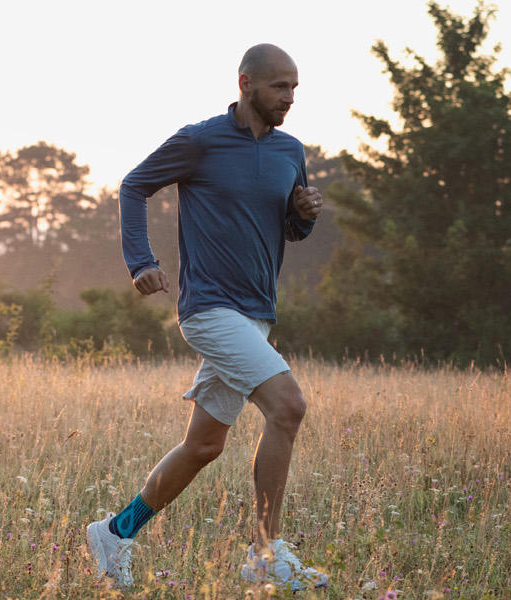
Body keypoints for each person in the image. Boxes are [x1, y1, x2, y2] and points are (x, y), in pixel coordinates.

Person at [84, 43, 330, 591]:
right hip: (209, 309)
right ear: (245, 83)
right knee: (288, 408)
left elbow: (289, 230)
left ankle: (114, 533)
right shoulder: (199, 140)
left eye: (295, 88)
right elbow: (134, 185)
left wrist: (303, 214)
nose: (289, 98)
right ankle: (266, 552)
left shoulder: (291, 150)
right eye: (279, 87)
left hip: (257, 313)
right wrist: (140, 262)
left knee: (204, 445)